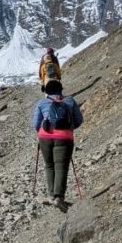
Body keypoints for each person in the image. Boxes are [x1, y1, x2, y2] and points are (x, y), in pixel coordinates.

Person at [32, 79, 83, 211]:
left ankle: (50, 195)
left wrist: (44, 132)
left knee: (49, 165)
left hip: (45, 138)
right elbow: (79, 120)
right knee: (61, 167)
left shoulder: (41, 103)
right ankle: (58, 197)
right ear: (61, 90)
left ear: (47, 91)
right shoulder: (70, 101)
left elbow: (36, 124)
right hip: (64, 138)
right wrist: (68, 129)